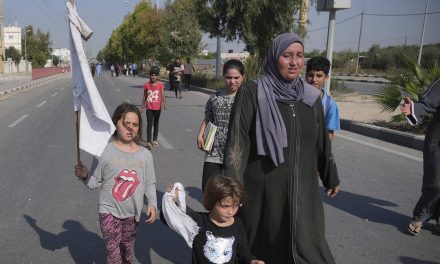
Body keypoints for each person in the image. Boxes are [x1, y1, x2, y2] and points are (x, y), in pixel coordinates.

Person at [223, 32, 340, 263]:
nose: (295, 62)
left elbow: (321, 141)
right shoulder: (252, 92)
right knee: (264, 248)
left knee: (308, 247)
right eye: (287, 55)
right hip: (264, 191)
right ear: (275, 57)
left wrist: (330, 175)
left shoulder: (311, 97)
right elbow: (237, 142)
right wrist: (233, 188)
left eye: (299, 56)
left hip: (303, 190)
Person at [74, 102, 157, 264]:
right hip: (108, 211)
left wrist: (152, 203)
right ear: (115, 123)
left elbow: (150, 183)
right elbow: (94, 182)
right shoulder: (104, 151)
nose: (130, 128)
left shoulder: (145, 155)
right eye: (125, 124)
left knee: (127, 249)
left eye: (135, 125)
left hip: (132, 214)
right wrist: (85, 175)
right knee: (113, 254)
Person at [161, 175, 265, 264]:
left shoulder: (238, 224)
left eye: (236, 205)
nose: (231, 211)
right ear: (212, 202)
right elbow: (169, 218)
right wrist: (171, 201)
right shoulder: (198, 222)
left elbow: (243, 251)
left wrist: (252, 260)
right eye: (226, 206)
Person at [197, 59, 244, 192]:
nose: (232, 81)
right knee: (208, 188)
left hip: (235, 154)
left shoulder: (246, 98)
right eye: (228, 77)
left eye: (236, 78)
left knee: (232, 192)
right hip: (214, 150)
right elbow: (208, 118)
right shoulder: (215, 98)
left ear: (243, 77)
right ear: (224, 77)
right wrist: (200, 134)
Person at [401, 78, 440, 235]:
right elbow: (427, 104)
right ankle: (420, 216)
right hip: (438, 141)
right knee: (436, 182)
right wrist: (413, 109)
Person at [306, 56, 340, 140]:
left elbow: (329, 134)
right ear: (306, 76)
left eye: (319, 76)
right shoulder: (298, 98)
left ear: (326, 78)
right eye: (311, 75)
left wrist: (324, 152)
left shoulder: (330, 104)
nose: (314, 79)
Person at [140, 66, 167, 149]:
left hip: (157, 108)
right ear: (150, 75)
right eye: (152, 75)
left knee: (156, 123)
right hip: (149, 108)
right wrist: (142, 106)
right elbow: (144, 96)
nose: (153, 77)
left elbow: (163, 95)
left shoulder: (160, 85)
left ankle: (154, 139)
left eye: (155, 75)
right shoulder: (146, 85)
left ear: (158, 76)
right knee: (149, 124)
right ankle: (148, 141)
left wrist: (164, 103)